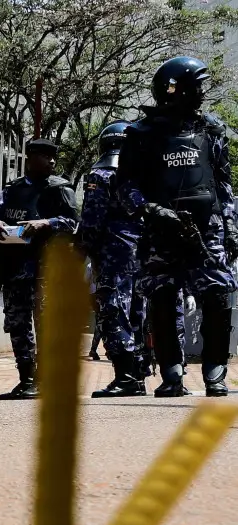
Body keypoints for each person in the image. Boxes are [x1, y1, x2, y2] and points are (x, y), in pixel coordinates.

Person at [117, 56, 236, 398]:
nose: (201, 93)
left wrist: (231, 229)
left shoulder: (212, 129)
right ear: (175, 90)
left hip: (206, 231)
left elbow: (223, 186)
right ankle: (171, 375)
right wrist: (153, 211)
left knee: (217, 295)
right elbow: (125, 187)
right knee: (163, 299)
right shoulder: (140, 135)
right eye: (195, 86)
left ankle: (215, 371)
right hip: (160, 233)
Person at [0, 138, 79, 400]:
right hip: (14, 269)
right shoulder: (12, 189)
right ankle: (27, 379)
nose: (43, 162)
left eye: (46, 158)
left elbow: (74, 224)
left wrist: (46, 223)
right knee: (18, 326)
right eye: (36, 157)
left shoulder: (61, 190)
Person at [80, 122, 148, 397]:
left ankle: (126, 377)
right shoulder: (141, 175)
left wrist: (83, 248)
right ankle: (139, 375)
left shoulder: (101, 174)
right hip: (140, 252)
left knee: (113, 311)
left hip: (112, 254)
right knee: (137, 311)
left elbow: (92, 221)